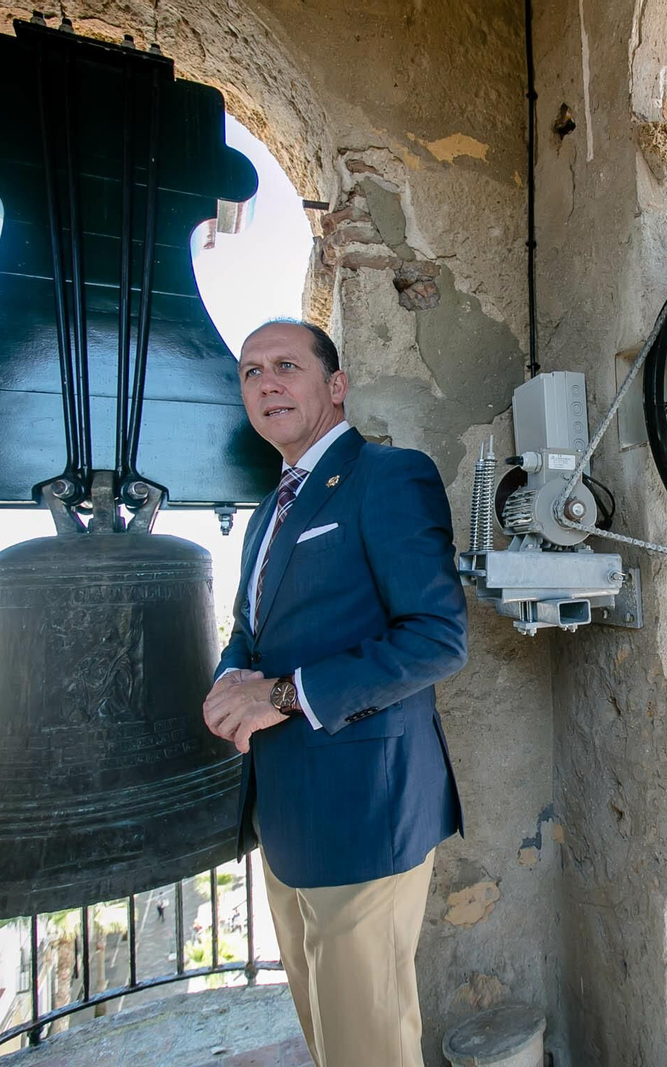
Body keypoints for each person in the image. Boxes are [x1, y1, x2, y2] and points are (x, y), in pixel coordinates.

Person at [201, 319, 467, 1067]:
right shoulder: (266, 512)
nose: (266, 383)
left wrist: (280, 694)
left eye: (286, 365)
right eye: (251, 373)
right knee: (329, 1036)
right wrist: (230, 676)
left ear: (336, 385)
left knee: (369, 1047)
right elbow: (248, 631)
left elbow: (438, 637)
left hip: (364, 810)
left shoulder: (389, 476)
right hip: (286, 815)